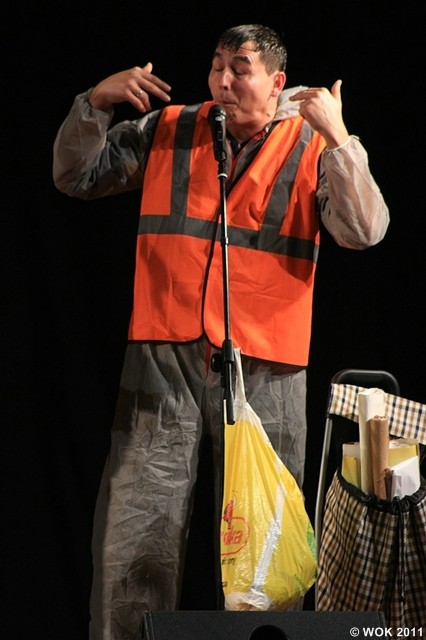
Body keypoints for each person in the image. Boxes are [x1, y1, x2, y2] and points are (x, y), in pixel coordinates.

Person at [53, 23, 389, 640]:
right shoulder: (170, 128)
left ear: (277, 82)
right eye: (216, 66)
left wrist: (340, 138)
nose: (223, 81)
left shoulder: (313, 145)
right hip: (163, 358)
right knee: (137, 536)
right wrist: (94, 103)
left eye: (240, 68)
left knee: (262, 544)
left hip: (267, 368)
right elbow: (77, 175)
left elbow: (363, 230)